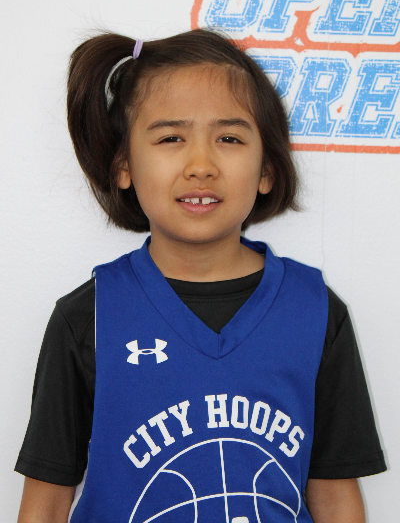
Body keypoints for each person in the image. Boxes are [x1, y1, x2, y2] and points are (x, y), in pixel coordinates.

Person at [16, 29, 386, 523]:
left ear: (266, 169)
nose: (201, 165)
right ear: (124, 165)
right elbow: (44, 503)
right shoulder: (89, 318)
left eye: (228, 138)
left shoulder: (316, 312)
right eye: (171, 138)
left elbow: (336, 497)